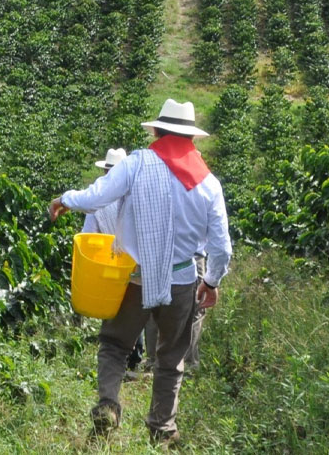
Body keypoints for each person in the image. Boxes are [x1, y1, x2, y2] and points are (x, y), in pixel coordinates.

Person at [48, 99, 232, 445]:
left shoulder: (137, 164)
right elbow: (222, 247)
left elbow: (97, 196)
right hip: (181, 282)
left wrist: (65, 199)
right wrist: (212, 281)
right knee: (170, 357)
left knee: (115, 344)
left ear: (158, 132)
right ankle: (162, 430)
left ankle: (108, 406)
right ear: (190, 139)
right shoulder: (208, 184)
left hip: (134, 278)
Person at [81, 148, 147, 366]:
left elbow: (88, 236)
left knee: (112, 308)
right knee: (133, 306)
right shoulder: (135, 196)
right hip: (131, 262)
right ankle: (135, 355)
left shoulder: (97, 203)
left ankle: (114, 356)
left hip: (107, 261)